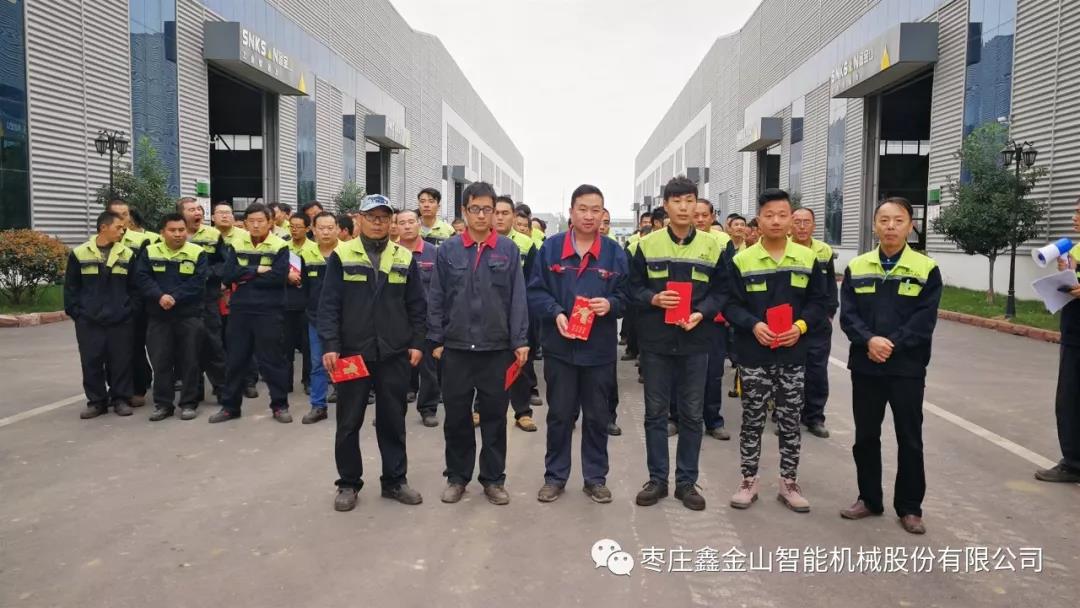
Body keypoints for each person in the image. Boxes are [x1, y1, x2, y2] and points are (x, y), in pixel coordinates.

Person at [839, 197, 942, 535]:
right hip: (866, 365)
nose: (891, 227)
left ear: (911, 226)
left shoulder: (926, 268)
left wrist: (890, 344)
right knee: (866, 436)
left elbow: (924, 320)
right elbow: (849, 315)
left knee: (909, 438)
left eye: (898, 220)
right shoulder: (858, 266)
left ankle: (910, 507)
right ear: (874, 225)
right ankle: (869, 498)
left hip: (906, 368)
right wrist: (869, 340)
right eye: (884, 220)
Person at [319, 195, 427, 511]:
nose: (378, 222)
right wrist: (330, 345)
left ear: (391, 221)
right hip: (352, 354)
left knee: (393, 420)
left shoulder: (403, 257)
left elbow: (417, 306)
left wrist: (417, 342)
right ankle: (348, 483)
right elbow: (329, 305)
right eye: (372, 216)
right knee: (348, 421)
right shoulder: (342, 255)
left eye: (384, 217)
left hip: (394, 353)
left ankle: (394, 481)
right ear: (360, 219)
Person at [725, 189, 829, 514]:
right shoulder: (742, 260)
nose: (776, 221)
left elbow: (820, 302)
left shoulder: (807, 259)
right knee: (752, 419)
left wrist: (800, 327)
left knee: (790, 420)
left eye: (783, 215)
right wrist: (753, 324)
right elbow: (730, 304)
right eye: (769, 215)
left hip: (792, 355)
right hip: (754, 355)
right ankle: (748, 480)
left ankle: (789, 482)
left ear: (791, 219)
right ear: (759, 219)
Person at [629, 176, 728, 511]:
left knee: (691, 414)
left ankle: (686, 482)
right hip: (656, 342)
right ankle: (657, 480)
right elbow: (633, 288)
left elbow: (723, 291)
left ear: (697, 204)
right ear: (666, 206)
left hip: (695, 340)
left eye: (690, 201)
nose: (684, 207)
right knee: (655, 414)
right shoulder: (647, 245)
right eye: (677, 201)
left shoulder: (713, 246)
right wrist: (654, 298)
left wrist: (702, 313)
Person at [427, 181, 529, 506]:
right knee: (457, 418)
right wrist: (436, 339)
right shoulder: (448, 250)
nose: (482, 215)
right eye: (475, 209)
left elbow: (517, 299)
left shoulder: (508, 250)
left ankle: (493, 479)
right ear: (464, 211)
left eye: (488, 209)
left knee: (495, 418)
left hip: (496, 350)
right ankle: (457, 477)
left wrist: (520, 341)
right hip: (456, 349)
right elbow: (437, 297)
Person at [529, 185, 629, 504]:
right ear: (571, 212)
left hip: (599, 351)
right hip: (560, 349)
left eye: (595, 210)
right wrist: (555, 312)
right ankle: (555, 477)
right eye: (582, 209)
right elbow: (535, 291)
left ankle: (595, 478)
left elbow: (629, 296)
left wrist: (610, 305)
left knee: (597, 417)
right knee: (559, 415)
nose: (589, 216)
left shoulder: (615, 253)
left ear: (603, 214)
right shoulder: (550, 249)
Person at [209, 203, 292, 423]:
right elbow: (228, 275)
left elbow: (278, 278)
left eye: (260, 221)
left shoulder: (280, 246)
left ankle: (280, 406)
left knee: (272, 360)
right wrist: (257, 270)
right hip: (240, 310)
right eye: (251, 221)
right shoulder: (237, 244)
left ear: (270, 223)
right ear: (245, 223)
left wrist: (244, 276)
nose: (256, 225)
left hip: (269, 310)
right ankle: (230, 407)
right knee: (235, 359)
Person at [135, 213, 208, 421]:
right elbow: (142, 277)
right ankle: (163, 404)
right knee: (161, 362)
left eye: (181, 230)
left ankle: (189, 403)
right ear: (162, 232)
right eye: (172, 230)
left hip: (189, 316)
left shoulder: (197, 252)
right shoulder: (150, 252)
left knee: (190, 361)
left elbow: (198, 282)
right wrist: (159, 296)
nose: (178, 234)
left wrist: (174, 297)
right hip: (159, 317)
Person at [65, 211, 137, 419]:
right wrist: (78, 313)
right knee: (91, 361)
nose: (122, 231)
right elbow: (71, 288)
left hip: (120, 319)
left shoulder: (127, 254)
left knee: (121, 361)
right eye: (118, 227)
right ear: (103, 227)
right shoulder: (79, 253)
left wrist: (129, 311)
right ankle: (96, 402)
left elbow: (135, 288)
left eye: (123, 228)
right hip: (89, 320)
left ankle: (120, 399)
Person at [1039, 199, 1080, 484]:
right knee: (1070, 399)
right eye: (1075, 211)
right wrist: (1065, 273)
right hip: (1075, 333)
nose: (1075, 217)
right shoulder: (1075, 249)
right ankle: (1073, 462)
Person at [790, 207, 838, 438]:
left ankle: (815, 417)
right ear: (790, 225)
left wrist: (830, 312)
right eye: (797, 222)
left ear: (814, 225)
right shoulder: (783, 249)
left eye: (806, 222)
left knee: (817, 372)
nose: (801, 226)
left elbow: (830, 286)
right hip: (790, 323)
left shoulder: (823, 251)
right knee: (789, 371)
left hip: (818, 323)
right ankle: (787, 416)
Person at [494, 195, 540, 432]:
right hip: (490, 314)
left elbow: (533, 281)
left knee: (521, 362)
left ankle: (522, 412)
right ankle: (480, 409)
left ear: (514, 216)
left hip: (518, 312)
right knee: (487, 365)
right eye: (496, 212)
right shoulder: (482, 242)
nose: (499, 217)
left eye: (505, 213)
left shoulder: (525, 244)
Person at [107, 199, 158, 408]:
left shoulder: (142, 241)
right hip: (109, 303)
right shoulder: (100, 241)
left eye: (125, 214)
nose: (122, 219)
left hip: (138, 303)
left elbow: (144, 274)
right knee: (112, 350)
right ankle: (116, 389)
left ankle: (138, 387)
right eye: (117, 215)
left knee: (135, 346)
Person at [693, 198, 736, 441]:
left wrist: (723, 312)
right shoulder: (679, 241)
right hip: (685, 317)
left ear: (712, 218)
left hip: (713, 318)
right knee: (681, 372)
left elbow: (727, 282)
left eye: (704, 215)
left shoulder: (722, 242)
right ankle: (676, 417)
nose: (700, 219)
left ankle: (713, 420)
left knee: (713, 372)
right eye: (695, 215)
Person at [178, 198, 228, 403]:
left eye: (199, 209)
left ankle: (222, 390)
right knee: (188, 349)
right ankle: (194, 392)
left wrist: (207, 273)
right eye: (192, 209)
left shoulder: (213, 235)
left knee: (213, 345)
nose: (197, 212)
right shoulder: (174, 235)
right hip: (183, 302)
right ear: (181, 214)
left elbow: (225, 264)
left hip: (208, 299)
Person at [396, 209, 441, 427]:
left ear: (419, 224)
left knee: (429, 368)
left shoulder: (434, 253)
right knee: (394, 369)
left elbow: (442, 288)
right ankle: (392, 410)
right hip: (397, 320)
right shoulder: (390, 252)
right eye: (402, 222)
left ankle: (428, 409)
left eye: (411, 222)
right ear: (396, 226)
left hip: (427, 320)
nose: (407, 226)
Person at [300, 212, 340, 424]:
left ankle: (347, 404)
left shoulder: (348, 252)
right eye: (321, 228)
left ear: (338, 229)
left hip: (345, 319)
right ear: (313, 230)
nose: (326, 232)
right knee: (318, 363)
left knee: (346, 362)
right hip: (316, 319)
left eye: (330, 228)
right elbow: (304, 289)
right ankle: (318, 405)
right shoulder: (306, 255)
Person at [285, 213, 322, 395]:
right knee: (286, 345)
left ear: (308, 229)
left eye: (298, 227)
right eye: (291, 226)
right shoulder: (283, 247)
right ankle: (286, 381)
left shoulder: (315, 249)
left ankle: (308, 380)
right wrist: (286, 276)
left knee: (308, 346)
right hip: (287, 302)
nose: (294, 230)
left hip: (307, 303)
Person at [600, 208, 622, 436]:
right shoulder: (556, 248)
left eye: (606, 221)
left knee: (607, 378)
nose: (601, 225)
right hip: (568, 329)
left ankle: (608, 417)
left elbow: (626, 292)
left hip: (603, 330)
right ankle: (572, 415)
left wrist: (611, 304)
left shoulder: (615, 252)